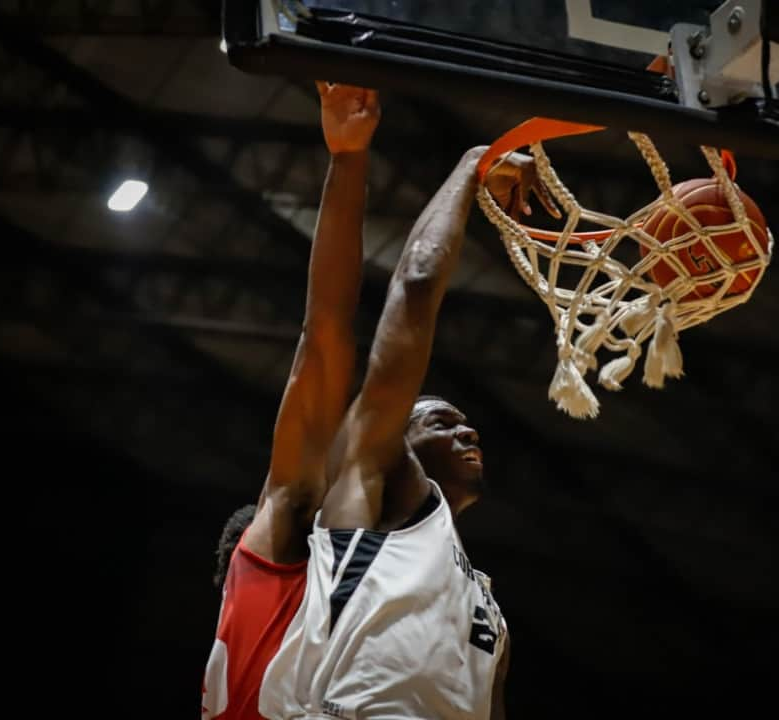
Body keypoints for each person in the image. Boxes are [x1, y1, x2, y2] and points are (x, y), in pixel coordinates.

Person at [256, 143, 556, 719]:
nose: (468, 433)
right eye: (441, 421)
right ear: (397, 442)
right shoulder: (370, 492)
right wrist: (471, 166)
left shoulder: (487, 609)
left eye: (465, 424)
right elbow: (416, 283)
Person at [202, 80, 381, 720]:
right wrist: (349, 157)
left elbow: (326, 333)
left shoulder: (325, 607)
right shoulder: (273, 555)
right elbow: (326, 333)